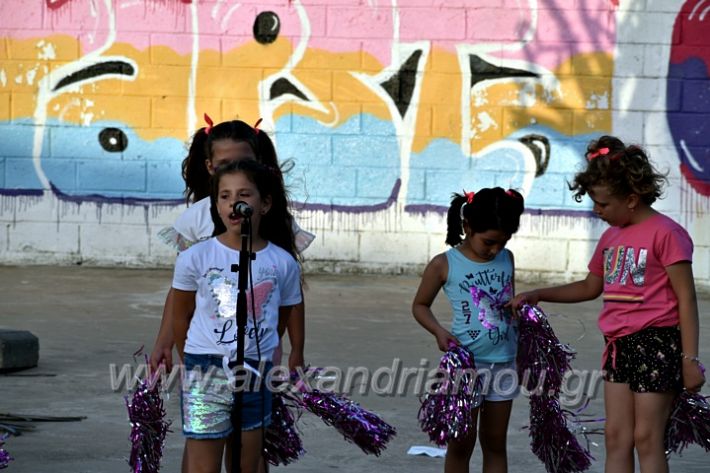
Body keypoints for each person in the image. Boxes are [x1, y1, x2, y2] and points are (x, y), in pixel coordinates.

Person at [511, 135, 705, 473]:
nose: (597, 211)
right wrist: (539, 293)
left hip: (656, 346)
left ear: (631, 199)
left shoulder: (666, 233)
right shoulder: (610, 237)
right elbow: (591, 286)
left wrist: (690, 359)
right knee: (617, 436)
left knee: (647, 437)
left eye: (603, 204)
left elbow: (687, 301)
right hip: (617, 348)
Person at [151, 118, 313, 373]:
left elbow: (290, 292)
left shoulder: (277, 219)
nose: (235, 169)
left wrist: (297, 350)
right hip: (207, 349)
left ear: (259, 162)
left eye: (244, 162)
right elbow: (181, 291)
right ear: (210, 166)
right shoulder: (196, 218)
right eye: (225, 164)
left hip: (259, 350)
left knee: (255, 410)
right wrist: (164, 342)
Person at [173, 159, 303, 473]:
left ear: (265, 204)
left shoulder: (283, 262)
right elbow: (180, 314)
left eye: (244, 195)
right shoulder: (196, 257)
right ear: (216, 205)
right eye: (225, 196)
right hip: (206, 367)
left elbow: (282, 316)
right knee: (203, 463)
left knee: (247, 462)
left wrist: (278, 352)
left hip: (256, 370)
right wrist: (191, 360)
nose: (234, 203)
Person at [412, 187, 525, 473]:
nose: (495, 250)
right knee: (461, 443)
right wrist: (438, 330)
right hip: (466, 366)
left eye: (503, 242)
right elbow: (420, 305)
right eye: (489, 242)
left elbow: (508, 300)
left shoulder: (507, 258)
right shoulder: (444, 264)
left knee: (495, 443)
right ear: (467, 226)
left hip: (504, 363)